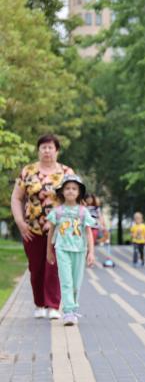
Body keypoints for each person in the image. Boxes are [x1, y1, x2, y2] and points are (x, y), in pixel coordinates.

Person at [10, 134, 75, 320]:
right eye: (43, 147)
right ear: (38, 150)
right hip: (32, 229)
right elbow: (16, 198)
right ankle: (39, 303)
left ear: (57, 150)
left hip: (59, 228)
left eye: (50, 147)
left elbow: (73, 198)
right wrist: (20, 221)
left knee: (54, 266)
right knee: (36, 267)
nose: (47, 151)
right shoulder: (28, 171)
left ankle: (53, 305)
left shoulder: (66, 172)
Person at [46, 174, 96, 325]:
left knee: (76, 283)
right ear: (62, 191)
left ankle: (73, 309)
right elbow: (50, 232)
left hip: (79, 251)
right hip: (62, 249)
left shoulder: (83, 212)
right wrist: (49, 251)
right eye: (67, 188)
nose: (70, 191)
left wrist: (91, 252)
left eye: (74, 188)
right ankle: (68, 312)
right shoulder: (57, 211)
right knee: (66, 281)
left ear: (79, 192)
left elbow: (88, 233)